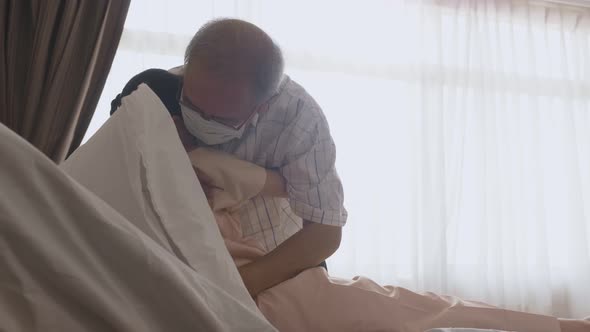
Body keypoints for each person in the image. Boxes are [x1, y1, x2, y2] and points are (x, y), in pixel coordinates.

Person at [110, 18, 347, 297]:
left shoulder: (299, 119)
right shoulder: (154, 93)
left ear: (264, 104)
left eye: (220, 118)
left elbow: (325, 231)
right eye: (192, 106)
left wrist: (238, 286)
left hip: (274, 254)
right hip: (183, 252)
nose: (202, 121)